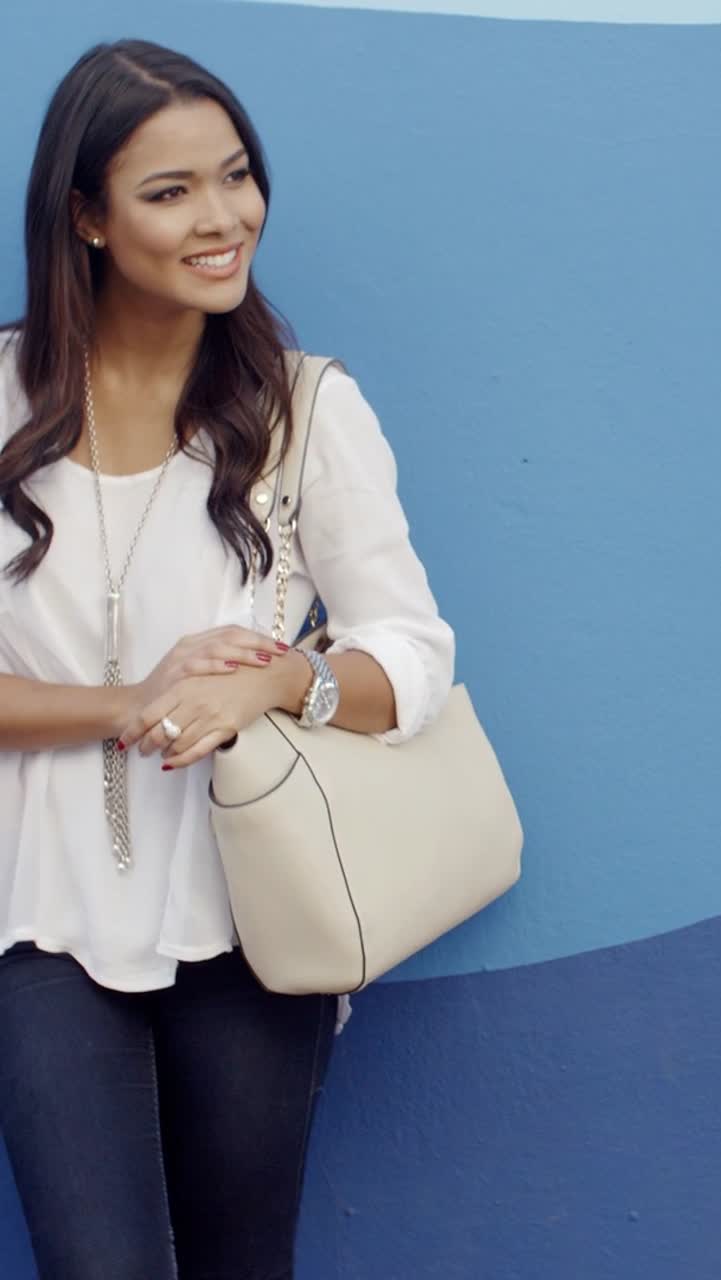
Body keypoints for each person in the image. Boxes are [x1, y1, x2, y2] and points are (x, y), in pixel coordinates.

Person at [0, 38, 455, 1279]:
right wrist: (132, 699)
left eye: (236, 175)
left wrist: (273, 681)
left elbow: (411, 655)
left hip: (252, 913)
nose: (222, 218)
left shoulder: (306, 407)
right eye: (170, 191)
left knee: (240, 1263)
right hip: (37, 921)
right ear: (85, 217)